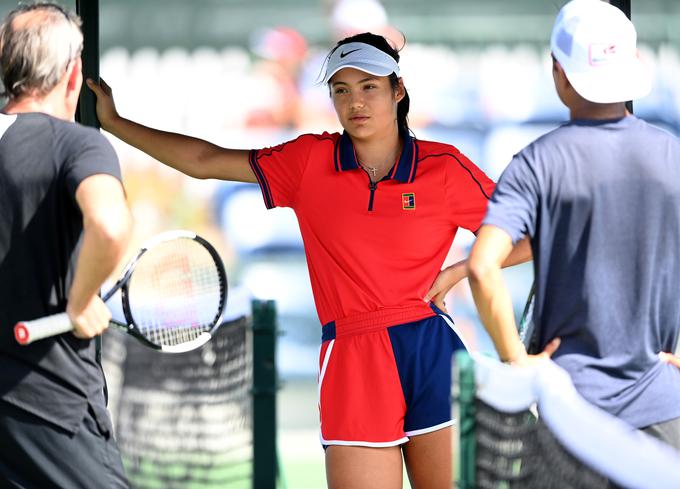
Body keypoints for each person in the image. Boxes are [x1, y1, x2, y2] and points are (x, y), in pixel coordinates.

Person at [88, 32, 529, 488]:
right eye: (341, 89)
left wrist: (463, 269)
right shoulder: (308, 162)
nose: (355, 101)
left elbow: (531, 236)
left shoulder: (445, 166)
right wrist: (116, 123)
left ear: (397, 90)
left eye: (369, 87)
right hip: (351, 360)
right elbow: (205, 160)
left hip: (432, 351)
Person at [468, 0, 680, 450]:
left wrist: (515, 358)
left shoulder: (536, 162)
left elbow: (482, 268)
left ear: (558, 70)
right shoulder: (672, 156)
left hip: (571, 412)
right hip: (666, 412)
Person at [0, 3, 132, 487]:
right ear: (74, 75)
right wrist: (80, 300)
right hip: (52, 415)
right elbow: (110, 225)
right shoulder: (79, 144)